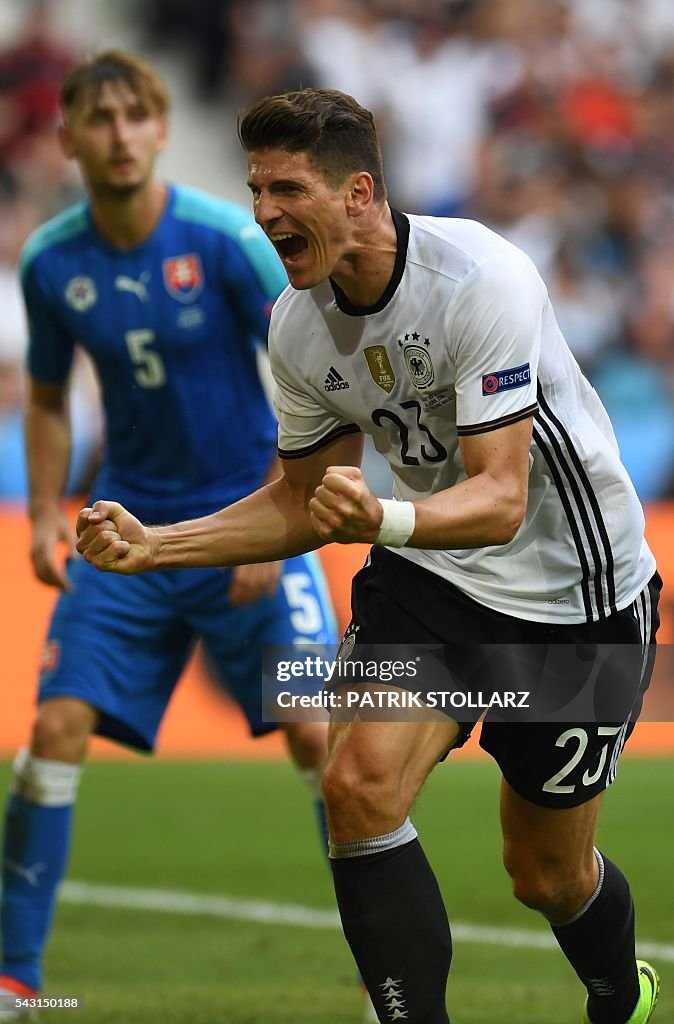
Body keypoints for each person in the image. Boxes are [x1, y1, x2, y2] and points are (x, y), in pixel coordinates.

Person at [75, 86, 661, 1024]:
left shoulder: (481, 278)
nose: (264, 212)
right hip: (433, 578)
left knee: (545, 875)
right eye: (258, 190)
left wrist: (380, 517)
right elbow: (301, 502)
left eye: (287, 189)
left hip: (578, 597)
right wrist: (158, 547)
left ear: (359, 192)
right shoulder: (297, 327)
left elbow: (502, 497)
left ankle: (615, 992)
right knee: (355, 789)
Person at [0, 55, 338, 1019]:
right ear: (66, 140)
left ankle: (386, 978)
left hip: (249, 516)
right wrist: (41, 514)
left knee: (321, 740)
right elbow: (51, 396)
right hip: (127, 531)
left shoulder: (227, 241)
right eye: (93, 120)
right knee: (54, 731)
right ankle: (16, 980)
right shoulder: (50, 262)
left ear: (158, 130)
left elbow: (307, 372)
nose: (114, 134)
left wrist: (274, 521)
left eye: (132, 116)